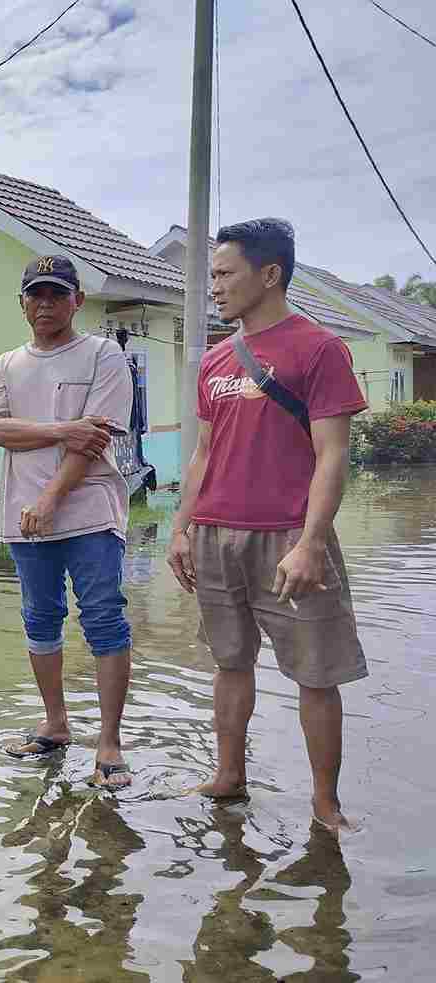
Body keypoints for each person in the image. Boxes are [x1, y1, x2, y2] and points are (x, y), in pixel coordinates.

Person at [166, 218, 368, 834]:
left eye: (225, 274)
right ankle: (229, 776)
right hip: (215, 531)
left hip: (288, 535)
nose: (215, 287)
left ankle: (325, 803)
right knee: (229, 662)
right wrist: (181, 527)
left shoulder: (319, 349)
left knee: (316, 671)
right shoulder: (217, 358)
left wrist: (310, 543)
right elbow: (203, 452)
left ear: (270, 274)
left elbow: (333, 453)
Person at [0, 255, 135, 788]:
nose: (44, 304)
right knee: (39, 618)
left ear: (77, 300)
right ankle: (56, 723)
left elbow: (95, 441)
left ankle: (110, 742)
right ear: (23, 302)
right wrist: (64, 427)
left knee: (103, 618)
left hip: (89, 510)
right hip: (25, 517)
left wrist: (49, 498)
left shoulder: (103, 356)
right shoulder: (5, 365)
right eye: (35, 295)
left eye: (56, 294)